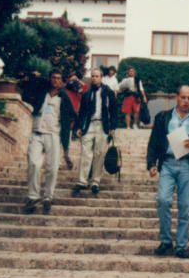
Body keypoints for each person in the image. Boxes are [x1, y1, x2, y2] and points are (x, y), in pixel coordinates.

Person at [146, 85, 189, 258]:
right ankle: (166, 240)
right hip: (167, 163)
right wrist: (151, 163)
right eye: (183, 97)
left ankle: (181, 246)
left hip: (188, 166)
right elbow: (153, 142)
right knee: (163, 200)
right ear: (177, 97)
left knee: (185, 207)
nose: (186, 101)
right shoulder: (163, 117)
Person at [21, 70, 77, 214]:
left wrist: (67, 133)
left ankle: (48, 197)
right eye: (53, 78)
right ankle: (33, 196)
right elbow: (26, 94)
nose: (55, 81)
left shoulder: (64, 97)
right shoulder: (41, 92)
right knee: (33, 163)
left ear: (62, 82)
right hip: (37, 132)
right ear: (50, 79)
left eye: (58, 78)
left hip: (54, 135)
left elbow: (72, 116)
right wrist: (34, 77)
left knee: (52, 168)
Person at [73, 68, 118, 196]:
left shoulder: (108, 92)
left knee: (100, 154)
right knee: (85, 153)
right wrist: (79, 128)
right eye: (92, 76)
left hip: (103, 125)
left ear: (101, 77)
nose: (94, 78)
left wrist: (113, 127)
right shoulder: (87, 93)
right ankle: (82, 181)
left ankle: (95, 182)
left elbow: (114, 111)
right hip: (89, 125)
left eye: (97, 76)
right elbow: (81, 112)